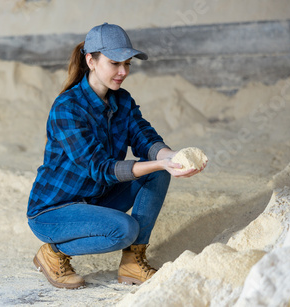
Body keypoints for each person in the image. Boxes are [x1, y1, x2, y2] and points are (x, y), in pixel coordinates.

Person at [26, 23, 206, 289]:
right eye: (114, 63)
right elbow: (100, 168)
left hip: (95, 199)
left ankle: (133, 264)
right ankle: (53, 253)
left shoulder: (122, 101)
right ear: (91, 60)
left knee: (158, 171)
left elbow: (146, 139)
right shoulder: (67, 107)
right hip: (54, 210)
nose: (123, 72)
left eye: (128, 63)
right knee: (124, 229)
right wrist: (158, 162)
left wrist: (172, 157)